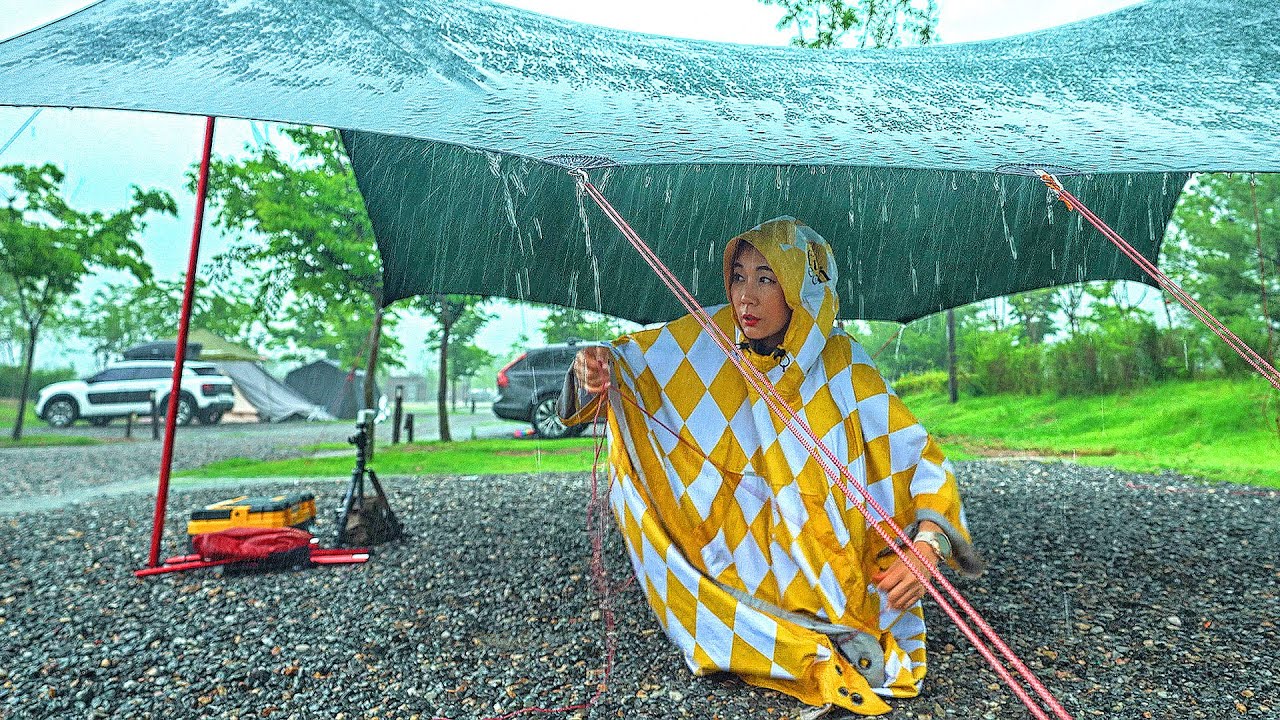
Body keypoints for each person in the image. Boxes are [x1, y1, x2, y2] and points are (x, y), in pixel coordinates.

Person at [559, 217, 982, 717]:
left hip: (834, 557)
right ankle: (773, 632)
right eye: (738, 276)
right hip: (738, 558)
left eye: (767, 278)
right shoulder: (708, 339)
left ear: (802, 288)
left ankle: (823, 629)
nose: (746, 296)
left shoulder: (842, 361)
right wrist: (590, 368)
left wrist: (929, 545)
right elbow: (625, 365)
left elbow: (917, 456)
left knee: (866, 623)